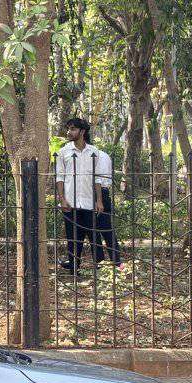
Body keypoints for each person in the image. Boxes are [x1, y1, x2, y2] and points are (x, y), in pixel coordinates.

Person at [55, 117, 118, 274]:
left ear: (82, 132)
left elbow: (97, 178)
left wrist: (99, 200)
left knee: (92, 234)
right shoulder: (63, 152)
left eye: (73, 129)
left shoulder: (94, 152)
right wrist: (62, 199)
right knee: (73, 237)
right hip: (70, 201)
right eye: (68, 129)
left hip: (89, 201)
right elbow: (60, 177)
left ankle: (101, 266)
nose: (69, 132)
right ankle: (74, 269)